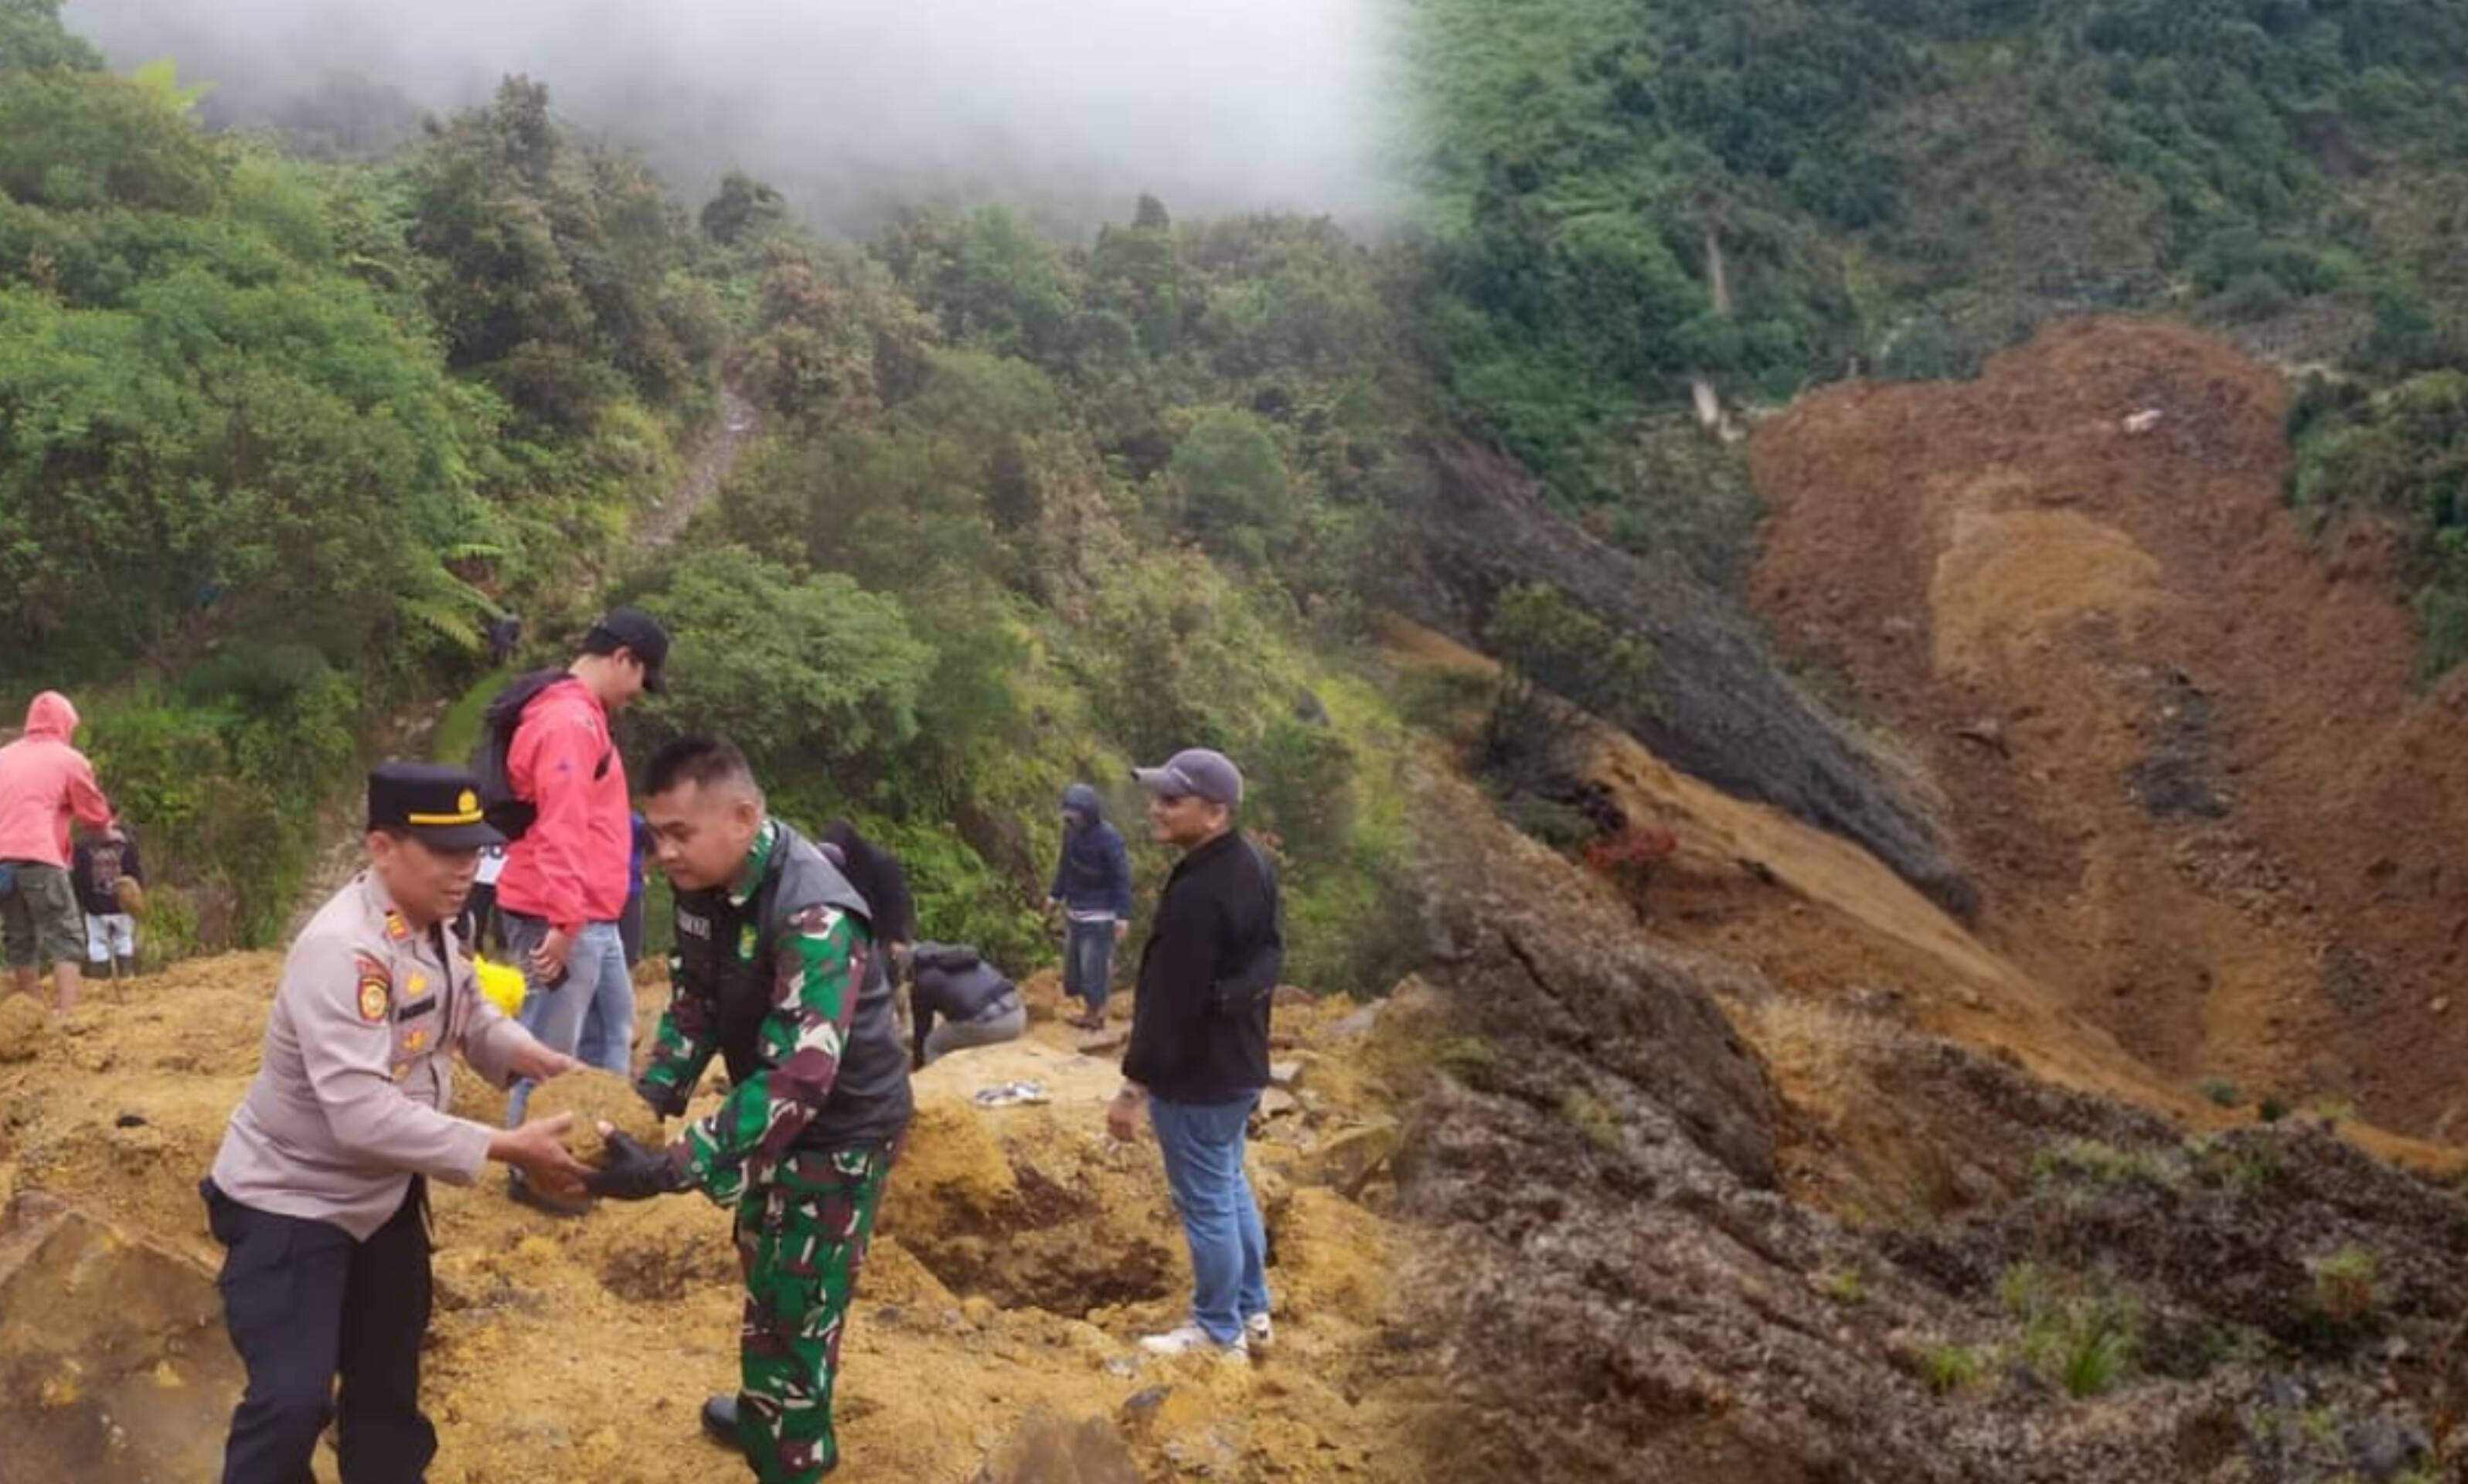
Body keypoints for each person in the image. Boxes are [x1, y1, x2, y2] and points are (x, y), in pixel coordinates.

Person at [199, 762, 589, 1484]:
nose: (464, 871)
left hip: (384, 1199)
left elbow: (468, 1012)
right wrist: (505, 1147)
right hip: (295, 1199)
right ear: (381, 848)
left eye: (473, 853)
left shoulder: (444, 921)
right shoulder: (341, 951)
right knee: (291, 1401)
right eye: (445, 853)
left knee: (387, 1389)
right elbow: (360, 1115)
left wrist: (531, 1058)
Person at [589, 737, 912, 1484]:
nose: (662, 853)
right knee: (762, 1260)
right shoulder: (705, 883)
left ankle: (792, 1448)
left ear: (742, 816)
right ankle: (773, 1403)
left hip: (840, 1133)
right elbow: (696, 1005)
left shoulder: (816, 912)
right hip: (770, 1118)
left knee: (795, 1306)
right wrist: (643, 1105)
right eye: (655, 834)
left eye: (679, 833)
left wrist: (672, 1166)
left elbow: (801, 1077)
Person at [1108, 747, 1282, 1359]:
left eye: (1170, 800)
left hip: (1199, 1078)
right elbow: (1269, 959)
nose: (1155, 809)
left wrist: (1134, 1088)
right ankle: (1252, 1311)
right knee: (1229, 1184)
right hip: (1239, 1067)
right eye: (1157, 796)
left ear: (1214, 813)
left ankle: (1216, 1329)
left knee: (1207, 1202)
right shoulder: (1251, 864)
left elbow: (1172, 1004)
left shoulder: (1198, 894)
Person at [494, 606, 669, 1213]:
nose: (638, 696)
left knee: (611, 1033)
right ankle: (529, 1170)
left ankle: (592, 1158)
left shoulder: (583, 717)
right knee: (548, 1050)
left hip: (592, 912)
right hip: (560, 914)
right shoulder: (569, 721)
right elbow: (561, 826)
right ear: (624, 659)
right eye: (640, 681)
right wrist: (567, 923)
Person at [0, 691, 117, 1014]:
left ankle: (32, 1013)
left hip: (3, 864)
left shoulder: (4, 756)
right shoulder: (68, 759)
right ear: (65, 724)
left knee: (19, 939)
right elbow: (95, 817)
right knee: (65, 935)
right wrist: (109, 832)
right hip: (40, 859)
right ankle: (66, 1015)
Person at [1047, 783, 1132, 1031]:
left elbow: (1121, 877)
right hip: (1075, 910)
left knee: (1093, 968)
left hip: (1100, 916)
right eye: (1069, 816)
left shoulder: (1109, 838)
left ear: (1091, 813)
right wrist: (1054, 895)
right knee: (1073, 972)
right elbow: (1065, 865)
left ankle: (1095, 1016)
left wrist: (1123, 915)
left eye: (1078, 816)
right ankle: (1087, 1009)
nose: (1073, 821)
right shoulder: (1071, 833)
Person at [907, 943, 1024, 1067]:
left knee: (932, 1045)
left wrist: (918, 1064)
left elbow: (922, 1030)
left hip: (988, 1027)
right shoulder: (965, 959)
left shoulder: (923, 981)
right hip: (1017, 1017)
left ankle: (935, 1081)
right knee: (954, 1028)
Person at [71, 821, 144, 979]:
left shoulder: (83, 845)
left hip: (95, 907)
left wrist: (82, 902)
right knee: (124, 940)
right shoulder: (128, 844)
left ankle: (100, 983)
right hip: (122, 906)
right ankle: (127, 977)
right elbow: (135, 875)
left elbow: (78, 878)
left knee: (97, 944)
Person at [620, 812, 654, 969]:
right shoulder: (635, 821)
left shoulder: (635, 822)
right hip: (612, 891)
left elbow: (654, 846)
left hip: (629, 887)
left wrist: (644, 870)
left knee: (629, 941)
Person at [458, 844, 506, 953]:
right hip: (478, 878)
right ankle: (475, 951)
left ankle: (505, 953)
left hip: (505, 877)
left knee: (504, 926)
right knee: (475, 920)